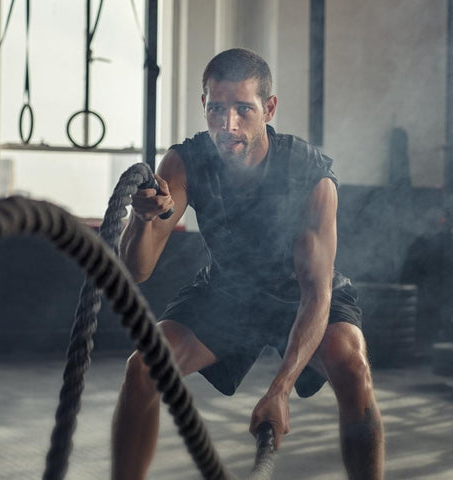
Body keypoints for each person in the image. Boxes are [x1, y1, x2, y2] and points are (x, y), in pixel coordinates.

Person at [112, 48, 384, 480]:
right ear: (204, 105)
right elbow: (138, 270)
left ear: (269, 108)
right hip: (228, 290)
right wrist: (142, 222)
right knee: (143, 369)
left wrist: (280, 389)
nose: (229, 125)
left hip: (302, 295)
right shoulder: (185, 162)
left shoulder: (310, 176)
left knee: (351, 362)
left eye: (243, 109)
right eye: (217, 109)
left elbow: (316, 293)